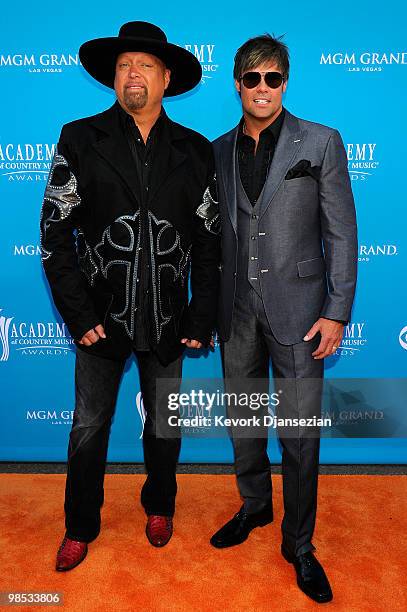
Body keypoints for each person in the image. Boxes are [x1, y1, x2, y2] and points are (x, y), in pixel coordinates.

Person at [40, 21, 220, 571]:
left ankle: (160, 505)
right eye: (122, 66)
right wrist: (78, 313)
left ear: (166, 78)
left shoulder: (195, 150)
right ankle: (80, 524)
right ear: (112, 79)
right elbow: (54, 232)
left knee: (165, 425)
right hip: (100, 318)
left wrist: (200, 312)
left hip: (168, 318)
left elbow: (211, 242)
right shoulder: (80, 137)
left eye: (143, 65)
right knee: (89, 426)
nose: (131, 74)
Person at [210, 34, 357, 603]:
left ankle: (299, 544)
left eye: (273, 78)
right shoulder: (218, 149)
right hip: (236, 311)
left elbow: (342, 233)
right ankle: (254, 506)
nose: (263, 88)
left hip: (300, 312)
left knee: (298, 437)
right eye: (252, 79)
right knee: (243, 422)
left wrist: (337, 311)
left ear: (286, 82)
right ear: (238, 84)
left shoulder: (320, 142)